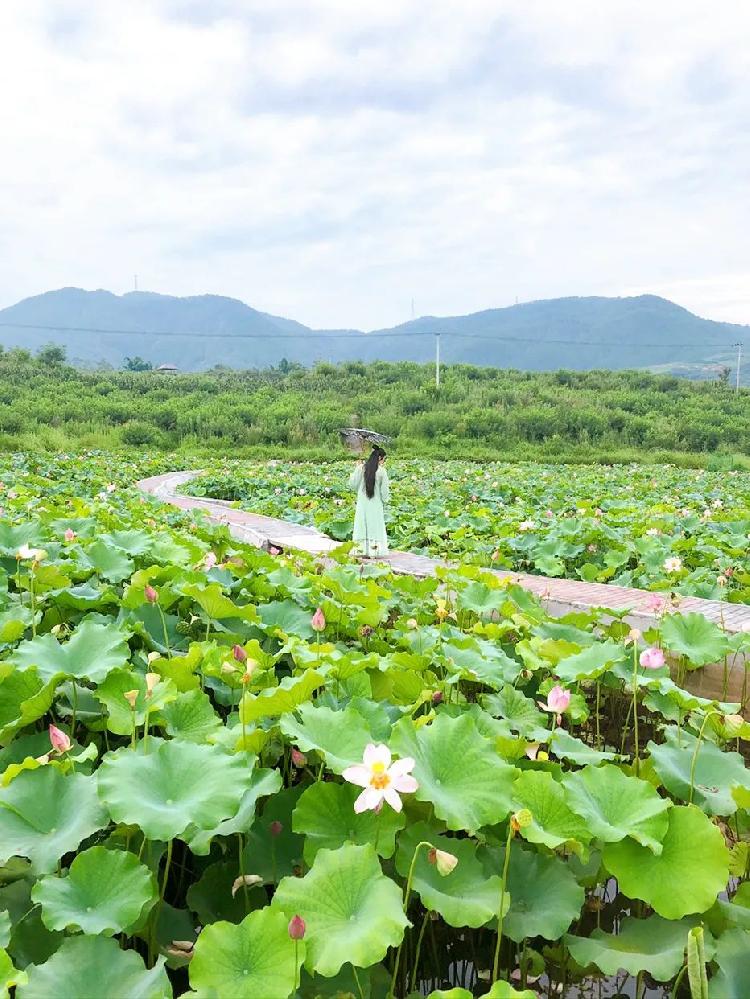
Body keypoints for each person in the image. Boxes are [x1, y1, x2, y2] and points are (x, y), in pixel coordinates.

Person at [349, 446, 390, 557]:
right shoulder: (382, 472)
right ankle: (374, 552)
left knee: (361, 525)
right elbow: (384, 493)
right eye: (383, 460)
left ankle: (360, 551)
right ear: (380, 458)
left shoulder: (361, 468)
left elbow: (352, 485)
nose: (383, 462)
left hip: (362, 504)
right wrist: (386, 501)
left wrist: (354, 471)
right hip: (375, 505)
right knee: (375, 527)